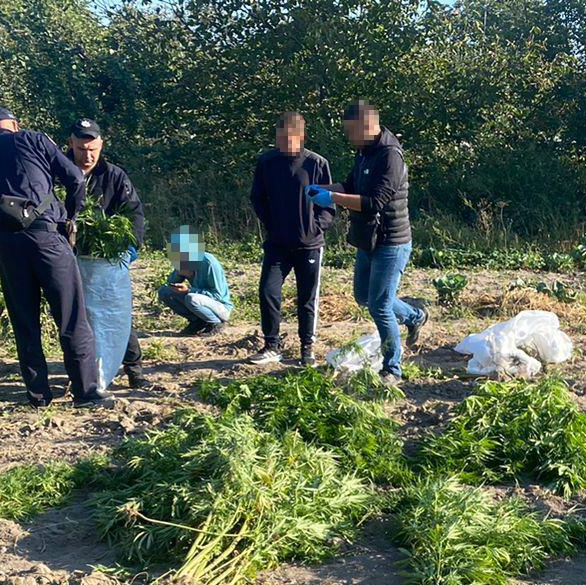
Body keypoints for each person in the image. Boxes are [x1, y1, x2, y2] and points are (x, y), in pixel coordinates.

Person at [0, 106, 110, 408]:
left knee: (25, 322)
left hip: (8, 244)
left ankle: (37, 395)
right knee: (71, 315)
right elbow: (74, 178)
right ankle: (85, 393)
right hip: (48, 237)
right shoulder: (34, 139)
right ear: (15, 125)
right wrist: (69, 215)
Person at [308, 100, 427, 387]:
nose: (348, 137)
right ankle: (415, 315)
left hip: (392, 241)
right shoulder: (364, 153)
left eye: (351, 131)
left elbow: (375, 201)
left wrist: (333, 199)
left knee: (380, 306)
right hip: (368, 239)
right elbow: (350, 187)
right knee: (363, 297)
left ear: (367, 126)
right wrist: (322, 189)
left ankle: (393, 369)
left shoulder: (390, 156)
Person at [66, 117, 148, 389]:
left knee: (115, 312)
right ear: (71, 144)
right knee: (78, 317)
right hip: (70, 256)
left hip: (106, 259)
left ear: (101, 145)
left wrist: (131, 247)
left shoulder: (113, 175)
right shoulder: (58, 172)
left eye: (93, 150)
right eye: (81, 149)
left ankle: (133, 368)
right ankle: (82, 372)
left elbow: (134, 213)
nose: (87, 156)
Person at [248, 112, 333, 366]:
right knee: (268, 291)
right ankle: (272, 345)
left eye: (288, 138)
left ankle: (307, 347)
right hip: (277, 244)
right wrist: (271, 223)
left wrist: (316, 226)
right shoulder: (267, 162)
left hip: (309, 244)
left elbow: (329, 204)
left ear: (300, 136)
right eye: (279, 137)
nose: (283, 142)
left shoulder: (316, 164)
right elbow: (257, 198)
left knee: (306, 298)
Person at [159, 227, 233, 334]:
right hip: (201, 302)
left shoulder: (208, 263)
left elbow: (218, 295)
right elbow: (170, 283)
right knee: (164, 291)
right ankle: (197, 321)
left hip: (221, 307)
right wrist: (180, 274)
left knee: (191, 298)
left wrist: (189, 290)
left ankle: (216, 323)